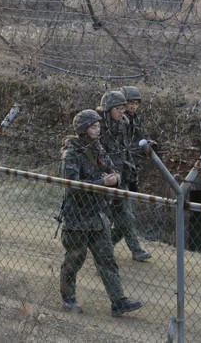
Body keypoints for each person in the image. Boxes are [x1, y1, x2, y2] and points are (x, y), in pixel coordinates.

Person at [59, 109, 144, 317]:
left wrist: (115, 178)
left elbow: (112, 169)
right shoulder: (71, 154)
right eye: (93, 126)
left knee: (107, 260)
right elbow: (72, 186)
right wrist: (101, 182)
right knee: (74, 260)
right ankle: (68, 298)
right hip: (78, 217)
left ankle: (119, 301)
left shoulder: (98, 148)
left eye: (98, 126)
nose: (98, 130)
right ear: (82, 130)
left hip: (98, 214)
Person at [96, 91, 152, 262]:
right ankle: (104, 252)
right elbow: (97, 154)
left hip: (121, 177)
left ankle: (122, 248)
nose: (123, 111)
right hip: (104, 180)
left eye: (123, 108)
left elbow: (125, 150)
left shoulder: (122, 125)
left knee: (127, 217)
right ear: (108, 109)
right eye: (119, 108)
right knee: (107, 219)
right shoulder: (98, 127)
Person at [119, 85, 157, 192]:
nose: (133, 107)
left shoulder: (135, 118)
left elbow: (141, 136)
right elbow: (123, 147)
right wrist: (142, 148)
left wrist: (149, 143)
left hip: (133, 166)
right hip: (121, 166)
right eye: (131, 103)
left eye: (136, 104)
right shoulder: (119, 120)